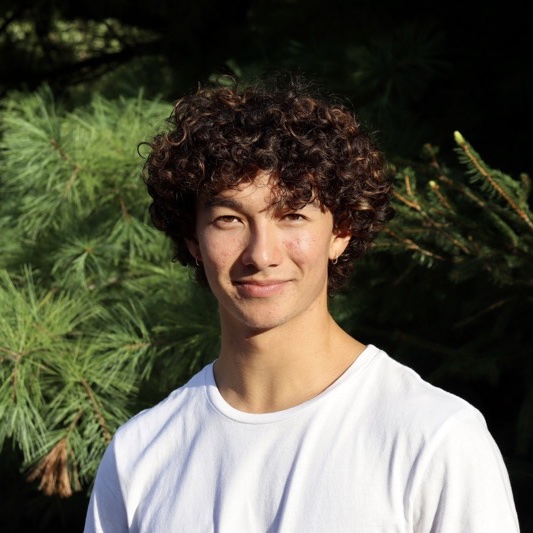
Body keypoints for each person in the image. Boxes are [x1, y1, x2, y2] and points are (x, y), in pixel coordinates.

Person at [84, 74, 519, 532]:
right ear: (193, 238)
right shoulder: (141, 453)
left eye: (292, 215)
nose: (262, 254)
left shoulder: (432, 438)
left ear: (342, 230)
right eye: (229, 219)